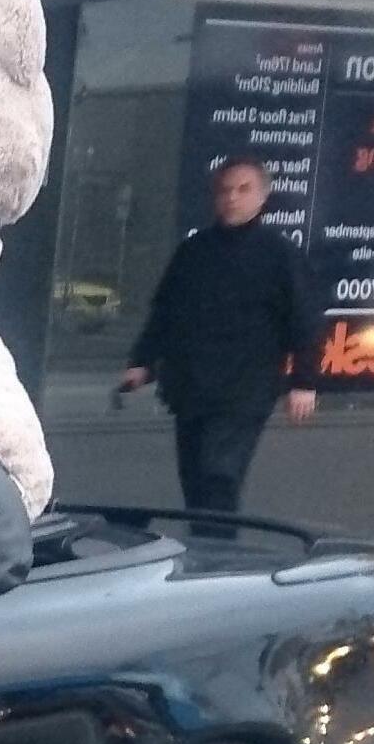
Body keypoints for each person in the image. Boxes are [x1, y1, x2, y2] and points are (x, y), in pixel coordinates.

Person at [120, 155, 321, 530]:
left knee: (219, 476)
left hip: (245, 388)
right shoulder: (194, 251)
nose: (232, 198)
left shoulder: (280, 255)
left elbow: (304, 320)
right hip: (191, 387)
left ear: (262, 196)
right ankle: (204, 547)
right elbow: (165, 312)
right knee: (195, 479)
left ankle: (215, 554)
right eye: (226, 190)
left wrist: (304, 382)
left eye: (243, 189)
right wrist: (142, 361)